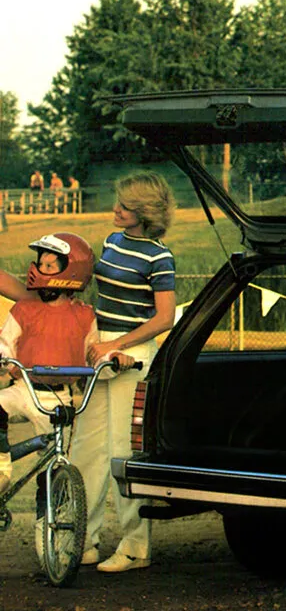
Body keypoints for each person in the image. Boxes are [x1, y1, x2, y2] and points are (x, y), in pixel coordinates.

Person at [71, 171, 176, 574]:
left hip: (131, 355)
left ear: (144, 212)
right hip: (99, 349)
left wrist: (119, 345)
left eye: (125, 206)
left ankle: (135, 546)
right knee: (86, 449)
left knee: (123, 452)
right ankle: (84, 539)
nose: (116, 209)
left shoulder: (158, 256)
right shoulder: (111, 242)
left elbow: (164, 318)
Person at [0, 234, 127, 563]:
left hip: (61, 399)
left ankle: (50, 534)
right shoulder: (25, 308)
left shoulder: (84, 316)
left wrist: (113, 359)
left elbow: (94, 353)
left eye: (47, 264)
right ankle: (1, 466)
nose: (38, 268)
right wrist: (3, 358)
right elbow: (6, 341)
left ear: (70, 271)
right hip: (25, 388)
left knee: (52, 470)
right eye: (39, 262)